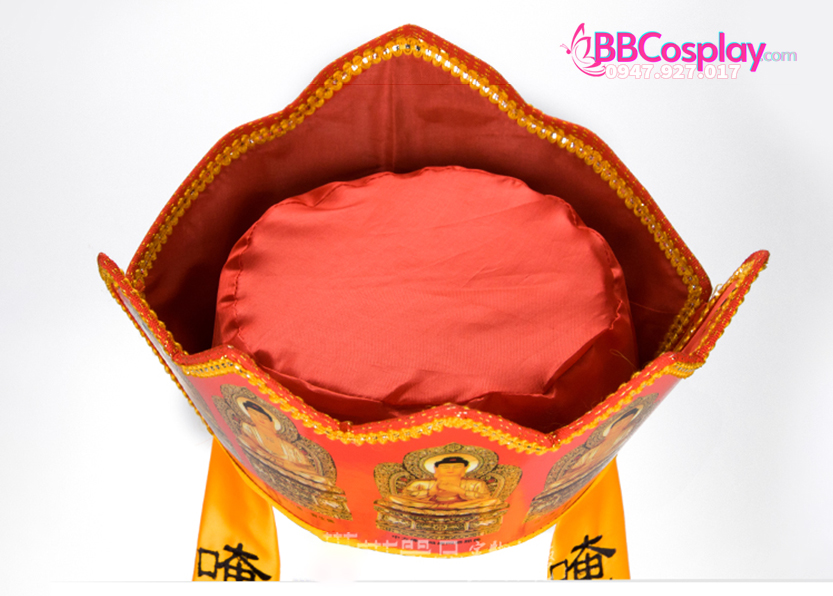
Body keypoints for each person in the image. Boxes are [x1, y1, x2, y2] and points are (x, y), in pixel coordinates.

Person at [389, 456, 501, 510]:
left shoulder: (475, 484)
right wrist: (431, 492)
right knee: (392, 499)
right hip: (429, 506)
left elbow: (485, 497)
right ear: (436, 469)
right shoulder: (421, 483)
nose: (451, 470)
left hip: (461, 506)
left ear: (464, 469)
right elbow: (406, 495)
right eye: (446, 467)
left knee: (493, 501)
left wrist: (460, 491)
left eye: (456, 467)